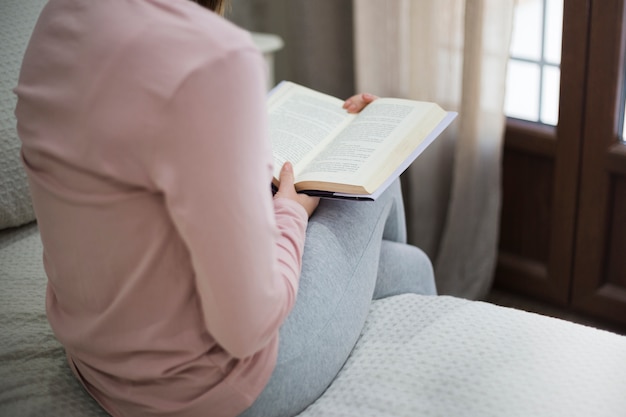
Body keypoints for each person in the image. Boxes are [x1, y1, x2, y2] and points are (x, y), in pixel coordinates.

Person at [14, 0, 436, 416]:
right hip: (205, 387)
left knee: (410, 266)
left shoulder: (60, 16)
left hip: (97, 361)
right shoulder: (212, 55)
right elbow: (248, 327)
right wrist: (288, 213)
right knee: (375, 169)